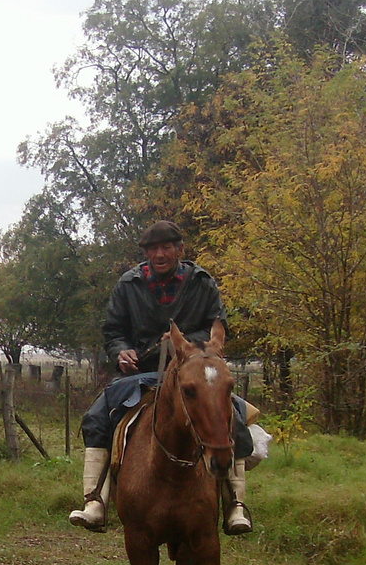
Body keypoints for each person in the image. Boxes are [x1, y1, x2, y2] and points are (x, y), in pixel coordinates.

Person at [68, 220, 254, 534]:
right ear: (145, 253)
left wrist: (184, 341)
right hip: (142, 375)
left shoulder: (202, 282)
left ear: (179, 250)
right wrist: (121, 352)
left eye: (166, 247)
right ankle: (95, 500)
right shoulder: (129, 285)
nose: (159, 254)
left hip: (192, 372)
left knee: (230, 415)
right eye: (153, 249)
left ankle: (235, 503)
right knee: (98, 415)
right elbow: (113, 332)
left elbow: (218, 325)